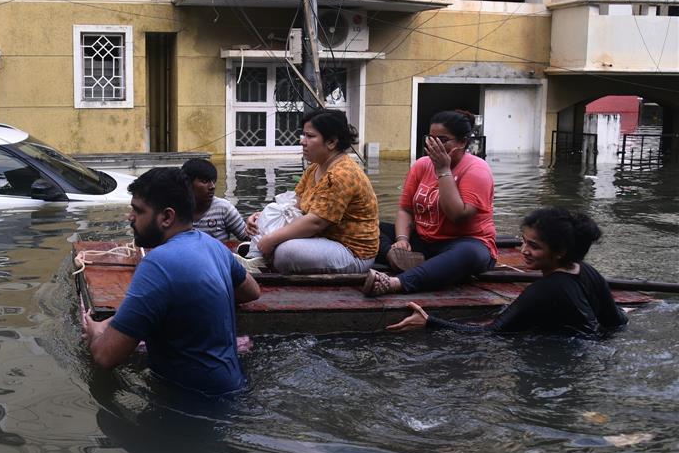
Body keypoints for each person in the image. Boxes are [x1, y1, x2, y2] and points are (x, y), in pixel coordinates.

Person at [81, 167, 261, 396]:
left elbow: (105, 356)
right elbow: (252, 291)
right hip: (234, 386)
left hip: (191, 403)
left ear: (166, 217)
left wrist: (96, 332)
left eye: (138, 211)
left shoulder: (156, 264)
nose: (130, 217)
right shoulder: (212, 245)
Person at [387, 208, 628, 335]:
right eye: (524, 241)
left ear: (560, 252)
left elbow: (490, 333)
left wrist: (430, 322)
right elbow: (617, 321)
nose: (523, 250)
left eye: (534, 247)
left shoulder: (545, 289)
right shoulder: (587, 271)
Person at [364, 109, 496, 296]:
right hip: (424, 241)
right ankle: (394, 256)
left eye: (442, 140)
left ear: (462, 142)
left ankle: (395, 282)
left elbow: (457, 216)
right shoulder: (421, 165)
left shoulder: (477, 170)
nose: (434, 145)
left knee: (470, 254)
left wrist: (443, 169)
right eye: (430, 138)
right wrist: (402, 240)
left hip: (462, 243)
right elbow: (406, 210)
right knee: (366, 226)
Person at [246, 109, 379, 274]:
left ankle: (260, 257)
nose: (303, 141)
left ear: (331, 142)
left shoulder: (342, 174)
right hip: (319, 239)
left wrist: (272, 238)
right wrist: (262, 217)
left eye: (310, 136)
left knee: (286, 252)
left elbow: (316, 222)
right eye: (304, 135)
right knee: (271, 214)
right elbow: (294, 205)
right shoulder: (315, 168)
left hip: (351, 252)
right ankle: (254, 258)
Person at [181, 158, 247, 242]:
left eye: (213, 181)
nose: (212, 186)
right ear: (188, 183)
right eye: (205, 181)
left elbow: (248, 239)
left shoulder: (224, 208)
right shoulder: (177, 211)